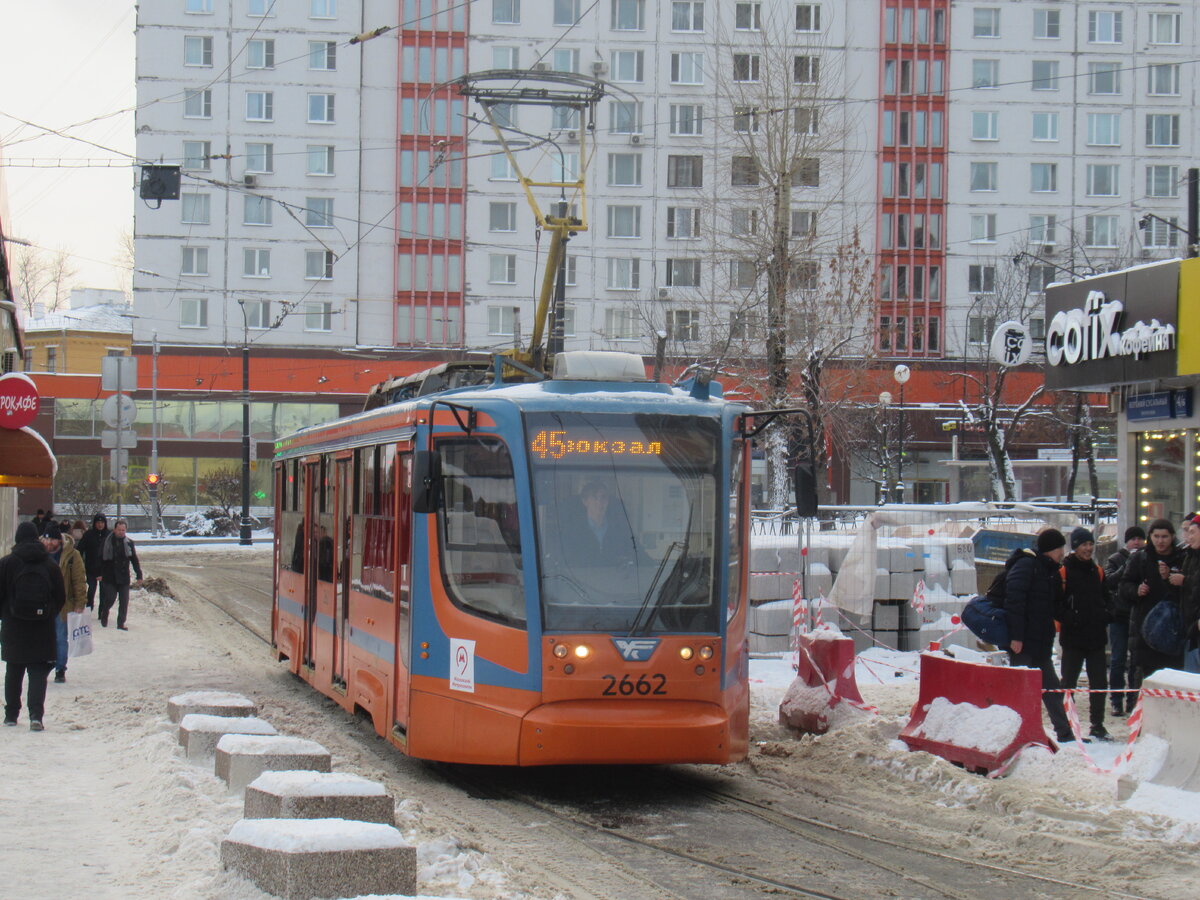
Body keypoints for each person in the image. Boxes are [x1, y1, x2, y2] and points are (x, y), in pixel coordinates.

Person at [1005, 528, 1075, 743]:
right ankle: (1015, 734)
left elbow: (1052, 606)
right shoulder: (1027, 566)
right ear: (1052, 549)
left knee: (1052, 690)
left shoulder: (1049, 570)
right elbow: (1014, 601)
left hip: (1041, 643)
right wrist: (1016, 637)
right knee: (1022, 693)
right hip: (1023, 644)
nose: (1063, 552)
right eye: (1060, 548)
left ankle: (1065, 734)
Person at [0, 522, 66, 730]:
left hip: (14, 626)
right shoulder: (49, 565)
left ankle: (11, 715)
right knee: (38, 672)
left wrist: (6, 615)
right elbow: (60, 597)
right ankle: (36, 716)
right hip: (42, 627)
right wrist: (47, 614)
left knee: (14, 670)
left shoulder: (6, 563)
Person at [1058, 527, 1111, 740]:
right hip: (1073, 638)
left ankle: (1097, 724)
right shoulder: (1063, 572)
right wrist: (1071, 619)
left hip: (1096, 637)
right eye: (1084, 545)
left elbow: (1107, 597)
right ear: (1075, 547)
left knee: (1099, 683)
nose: (1088, 548)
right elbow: (1057, 604)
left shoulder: (1097, 571)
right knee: (1068, 682)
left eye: (1090, 544)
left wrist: (1107, 613)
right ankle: (1067, 724)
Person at [1120, 517, 1185, 684]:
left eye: (1164, 537)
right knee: (1147, 678)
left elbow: (1187, 592)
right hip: (1146, 629)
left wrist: (1169, 578)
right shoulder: (1140, 558)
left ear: (1172, 537)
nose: (1160, 541)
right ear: (1150, 537)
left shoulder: (1182, 558)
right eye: (1156, 536)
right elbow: (1124, 585)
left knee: (1173, 679)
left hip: (1174, 630)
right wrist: (1136, 590)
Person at [1104, 525, 1145, 716]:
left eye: (1139, 538)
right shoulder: (1115, 559)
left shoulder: (1146, 558)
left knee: (1136, 662)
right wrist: (1127, 564)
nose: (1136, 542)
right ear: (1126, 542)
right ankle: (1116, 700)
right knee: (1118, 659)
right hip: (1119, 617)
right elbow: (1109, 581)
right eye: (1132, 539)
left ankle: (1133, 700)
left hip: (1138, 618)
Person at [42, 525, 87, 683]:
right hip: (42, 604)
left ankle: (60, 668)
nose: (49, 542)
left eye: (52, 539)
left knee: (60, 637)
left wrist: (80, 602)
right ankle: (46, 664)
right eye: (46, 539)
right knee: (44, 637)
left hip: (62, 604)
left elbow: (79, 580)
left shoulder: (72, 555)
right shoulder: (40, 554)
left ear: (59, 540)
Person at [98, 519, 142, 630]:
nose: (121, 532)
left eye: (123, 530)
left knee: (124, 601)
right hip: (109, 576)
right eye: (119, 530)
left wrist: (139, 575)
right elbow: (99, 559)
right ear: (115, 530)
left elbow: (134, 560)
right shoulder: (106, 542)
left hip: (123, 577)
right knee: (111, 598)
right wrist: (99, 573)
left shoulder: (129, 543)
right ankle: (104, 611)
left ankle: (121, 623)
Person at [75, 513, 110, 611]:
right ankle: (89, 608)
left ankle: (102, 611)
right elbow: (79, 550)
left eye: (102, 522)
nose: (100, 525)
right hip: (91, 567)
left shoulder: (109, 535)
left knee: (104, 591)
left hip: (104, 569)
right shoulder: (88, 534)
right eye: (98, 522)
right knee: (91, 589)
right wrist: (79, 563)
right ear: (95, 523)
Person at [1179, 516, 1200, 674]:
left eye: (1192, 532)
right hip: (1191, 627)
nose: (1189, 536)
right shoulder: (1189, 556)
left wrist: (1185, 580)